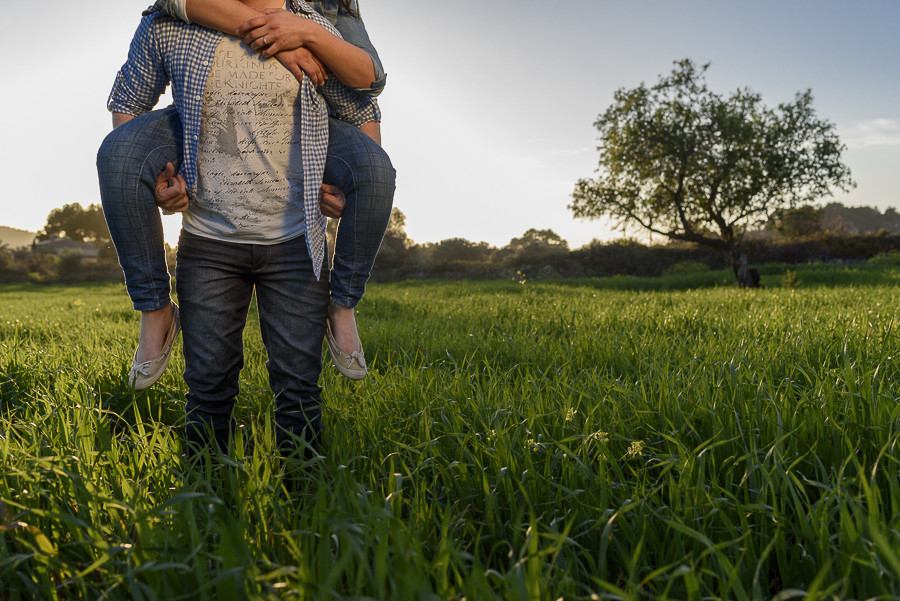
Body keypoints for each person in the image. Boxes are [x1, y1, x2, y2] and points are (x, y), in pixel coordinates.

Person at [104, 0, 386, 455]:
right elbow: (128, 106)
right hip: (208, 244)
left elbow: (360, 109)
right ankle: (205, 489)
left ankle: (304, 492)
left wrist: (346, 183)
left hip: (296, 244)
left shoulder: (310, 26)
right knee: (208, 388)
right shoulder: (171, 26)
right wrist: (155, 179)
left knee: (298, 390)